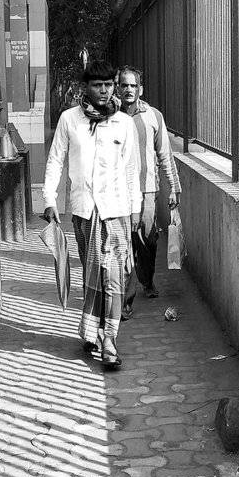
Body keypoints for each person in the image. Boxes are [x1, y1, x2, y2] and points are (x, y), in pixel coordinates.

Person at [42, 60, 141, 371]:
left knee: (114, 276)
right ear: (85, 87)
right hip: (84, 211)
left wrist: (136, 208)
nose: (104, 90)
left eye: (108, 85)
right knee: (92, 272)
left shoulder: (123, 123)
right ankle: (91, 330)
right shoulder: (69, 120)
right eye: (98, 85)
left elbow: (131, 169)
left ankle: (109, 339)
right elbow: (55, 160)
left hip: (117, 211)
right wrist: (49, 199)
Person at [116, 66, 180, 317]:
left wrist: (174, 187)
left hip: (147, 191)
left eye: (133, 85)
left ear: (140, 89)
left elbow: (165, 154)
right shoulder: (109, 116)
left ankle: (147, 278)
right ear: (118, 88)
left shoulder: (154, 116)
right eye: (124, 85)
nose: (129, 89)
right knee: (123, 245)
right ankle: (125, 299)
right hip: (118, 193)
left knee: (148, 240)